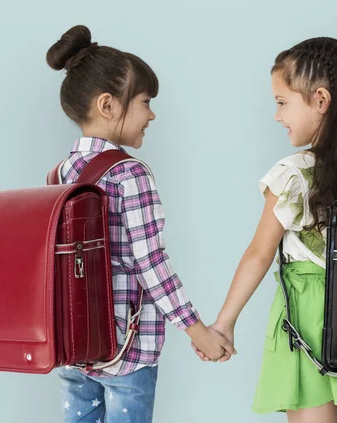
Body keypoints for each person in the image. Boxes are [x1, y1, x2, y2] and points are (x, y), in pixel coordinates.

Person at [193, 37, 337, 423]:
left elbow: (259, 253)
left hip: (308, 314)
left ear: (320, 100)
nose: (277, 115)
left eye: (282, 102)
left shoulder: (294, 174)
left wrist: (224, 323)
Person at [47, 24, 236, 423]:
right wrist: (197, 329)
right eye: (146, 101)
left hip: (73, 342)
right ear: (108, 105)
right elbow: (150, 262)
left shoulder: (59, 175)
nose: (152, 114)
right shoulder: (128, 174)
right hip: (127, 349)